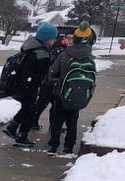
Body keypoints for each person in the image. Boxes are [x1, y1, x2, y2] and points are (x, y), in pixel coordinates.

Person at [2, 22, 58, 147]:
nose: (55, 41)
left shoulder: (30, 46)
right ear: (47, 38)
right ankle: (22, 136)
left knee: (27, 107)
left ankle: (13, 127)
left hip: (21, 84)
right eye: (54, 38)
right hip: (29, 85)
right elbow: (47, 72)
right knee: (30, 111)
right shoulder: (41, 53)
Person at [47, 21, 96, 154]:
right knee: (72, 122)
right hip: (78, 95)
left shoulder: (64, 55)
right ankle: (69, 146)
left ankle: (54, 145)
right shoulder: (90, 57)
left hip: (60, 94)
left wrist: (56, 82)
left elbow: (52, 73)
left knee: (57, 121)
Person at [33, 32, 70, 130]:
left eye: (72, 39)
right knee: (45, 103)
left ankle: (51, 124)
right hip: (50, 81)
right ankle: (41, 122)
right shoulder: (59, 49)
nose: (71, 41)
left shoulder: (62, 48)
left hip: (52, 81)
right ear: (64, 38)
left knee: (49, 103)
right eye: (69, 38)